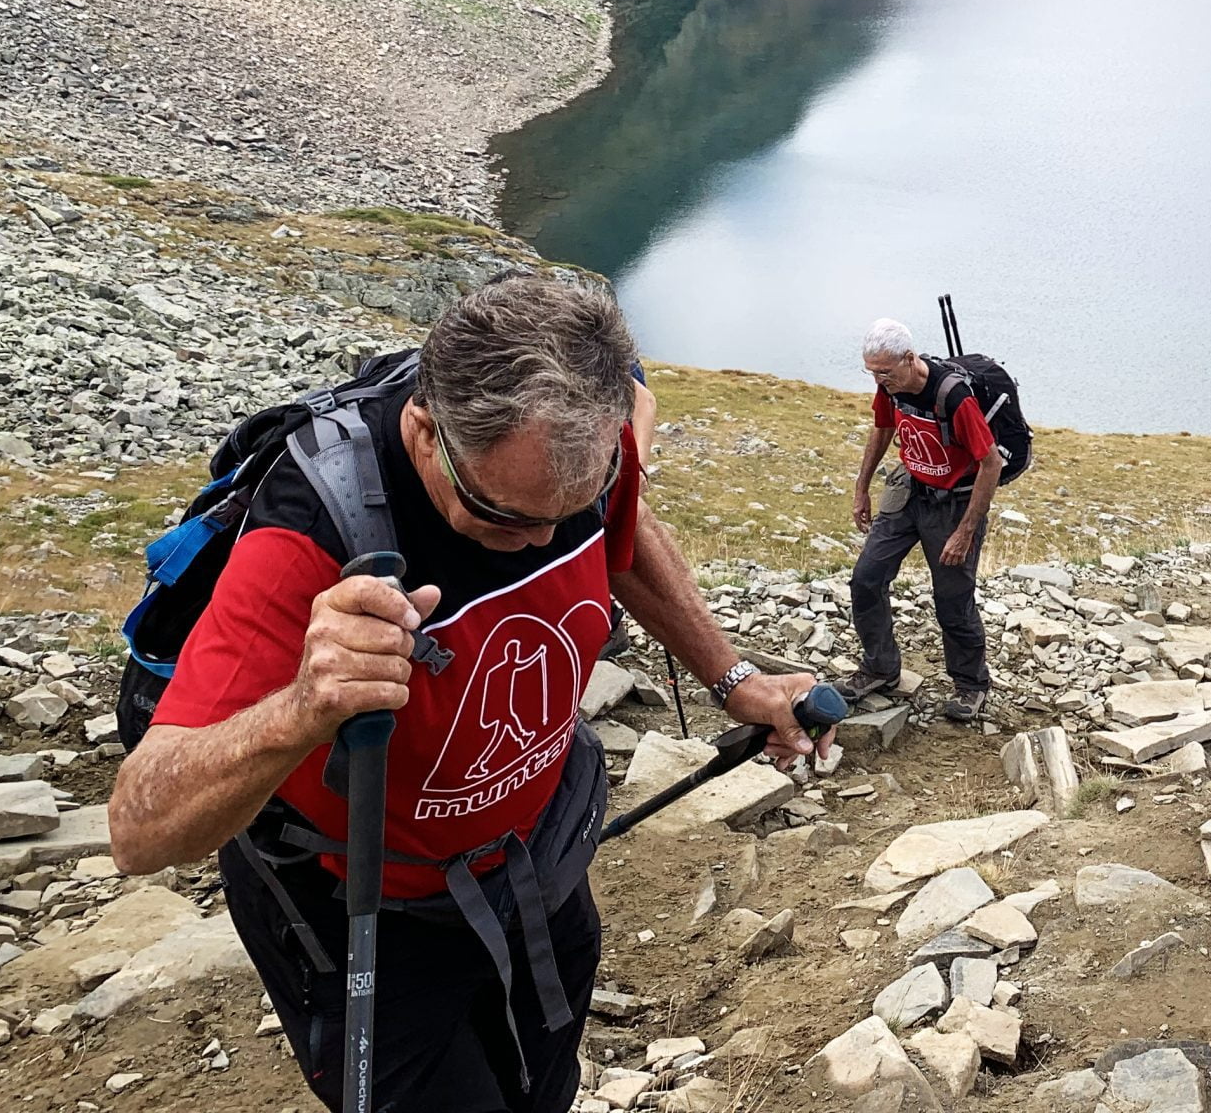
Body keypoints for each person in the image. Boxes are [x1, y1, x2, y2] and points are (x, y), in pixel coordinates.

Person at [107, 274, 822, 1113]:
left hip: (540, 862)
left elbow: (625, 544)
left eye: (571, 508)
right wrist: (305, 703)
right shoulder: (308, 534)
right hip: (370, 913)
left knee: (545, 1088)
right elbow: (137, 832)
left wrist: (732, 678)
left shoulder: (579, 446)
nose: (540, 539)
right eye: (499, 514)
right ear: (423, 429)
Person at [842, 317, 1003, 723]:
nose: (879, 380)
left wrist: (965, 531)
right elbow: (881, 430)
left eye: (885, 371)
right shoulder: (889, 390)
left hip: (954, 503)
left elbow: (991, 463)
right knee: (866, 578)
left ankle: (971, 686)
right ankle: (880, 667)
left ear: (909, 359)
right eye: (871, 372)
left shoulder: (954, 397)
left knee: (952, 600)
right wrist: (862, 488)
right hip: (908, 489)